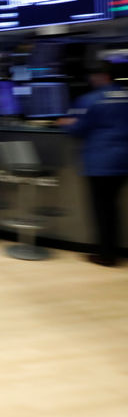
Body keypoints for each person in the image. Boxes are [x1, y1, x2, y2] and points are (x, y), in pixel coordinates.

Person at [60, 61, 128, 266]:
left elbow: (76, 130)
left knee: (102, 209)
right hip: (124, 161)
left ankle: (105, 255)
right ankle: (112, 250)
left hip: (100, 162)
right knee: (113, 208)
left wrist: (67, 123)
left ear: (103, 76)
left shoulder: (90, 99)